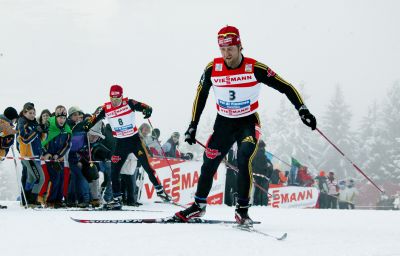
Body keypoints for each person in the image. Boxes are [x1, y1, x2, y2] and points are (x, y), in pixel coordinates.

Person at [175, 25, 317, 225]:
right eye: (223, 50)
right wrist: (193, 125)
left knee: (243, 158)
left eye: (230, 49)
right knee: (209, 163)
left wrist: (302, 109)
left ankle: (242, 210)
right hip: (223, 123)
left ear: (240, 47)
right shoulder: (212, 69)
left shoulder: (255, 68)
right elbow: (201, 96)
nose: (227, 54)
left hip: (247, 122)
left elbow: (285, 86)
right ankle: (198, 206)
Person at [83, 84, 171, 210]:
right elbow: (94, 117)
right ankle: (117, 199)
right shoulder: (106, 108)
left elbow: (145, 107)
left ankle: (160, 191)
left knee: (147, 166)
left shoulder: (129, 103)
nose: (115, 101)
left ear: (121, 96)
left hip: (134, 141)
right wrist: (88, 124)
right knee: (114, 171)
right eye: (112, 98)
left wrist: (147, 110)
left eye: (117, 98)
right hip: (121, 143)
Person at [16, 102, 47, 206]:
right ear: (24, 113)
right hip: (28, 156)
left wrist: (43, 130)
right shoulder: (22, 123)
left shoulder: (34, 123)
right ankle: (32, 200)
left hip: (36, 156)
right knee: (40, 178)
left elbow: (40, 140)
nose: (33, 115)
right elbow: (25, 139)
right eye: (30, 113)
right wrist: (36, 131)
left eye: (34, 113)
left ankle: (26, 200)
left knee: (32, 178)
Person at [251, 140, 273, 206]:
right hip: (262, 176)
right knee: (262, 191)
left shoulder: (253, 154)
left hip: (254, 175)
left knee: (257, 190)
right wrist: (268, 175)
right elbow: (265, 166)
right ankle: (261, 204)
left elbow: (252, 164)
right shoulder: (263, 156)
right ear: (263, 147)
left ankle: (256, 202)